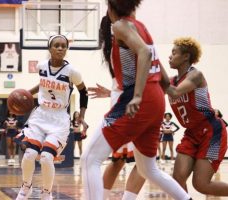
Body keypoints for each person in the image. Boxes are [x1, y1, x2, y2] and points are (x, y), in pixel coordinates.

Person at [80, 1, 191, 200]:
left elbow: (145, 53)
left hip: (139, 97)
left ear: (111, 8)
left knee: (89, 158)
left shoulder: (120, 25)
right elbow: (155, 61)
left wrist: (138, 95)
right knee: (148, 169)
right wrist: (170, 90)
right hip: (156, 97)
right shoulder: (141, 27)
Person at [16, 34, 88, 200]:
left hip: (59, 118)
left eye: (64, 46)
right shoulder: (42, 66)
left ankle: (46, 194)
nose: (60, 48)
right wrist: (26, 94)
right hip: (40, 115)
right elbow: (43, 84)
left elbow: (83, 92)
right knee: (29, 154)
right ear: (50, 48)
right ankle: (26, 186)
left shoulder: (72, 72)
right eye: (57, 45)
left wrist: (82, 115)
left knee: (47, 158)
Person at [87, 13, 145, 200]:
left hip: (120, 99)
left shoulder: (110, 46)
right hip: (132, 103)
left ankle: (101, 197)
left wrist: (111, 93)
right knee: (141, 161)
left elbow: (121, 83)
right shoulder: (124, 43)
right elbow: (131, 80)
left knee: (118, 160)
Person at [166, 37, 228, 195]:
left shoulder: (196, 75)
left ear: (186, 56)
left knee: (201, 184)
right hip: (192, 132)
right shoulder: (172, 81)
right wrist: (115, 93)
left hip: (212, 132)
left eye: (174, 53)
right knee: (178, 178)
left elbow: (175, 92)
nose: (170, 56)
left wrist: (151, 59)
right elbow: (148, 93)